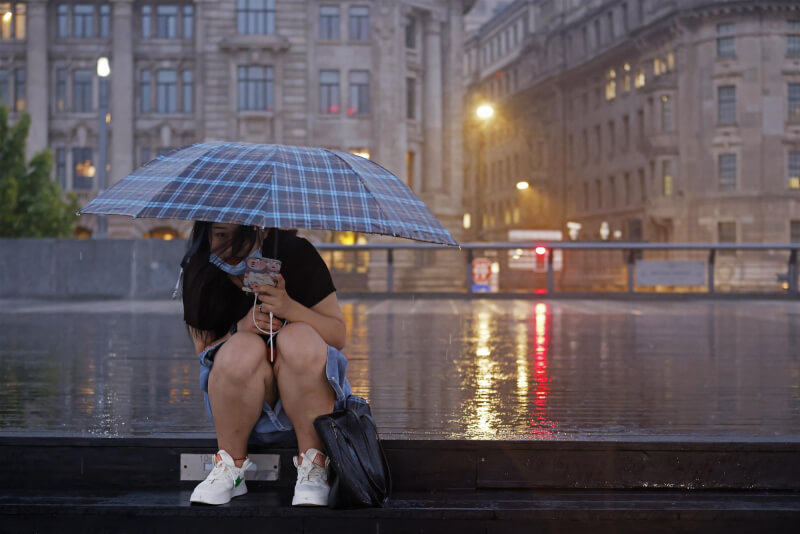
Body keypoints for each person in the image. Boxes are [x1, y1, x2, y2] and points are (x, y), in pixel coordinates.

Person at [180, 221, 351, 506]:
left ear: (263, 231)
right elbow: (204, 351)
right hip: (238, 401)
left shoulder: (297, 255)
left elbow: (337, 335)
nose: (231, 248)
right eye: (221, 235)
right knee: (242, 347)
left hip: (309, 393)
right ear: (205, 232)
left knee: (298, 337)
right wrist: (241, 329)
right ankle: (230, 468)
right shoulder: (199, 269)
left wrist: (289, 308)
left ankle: (313, 465)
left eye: (242, 236)